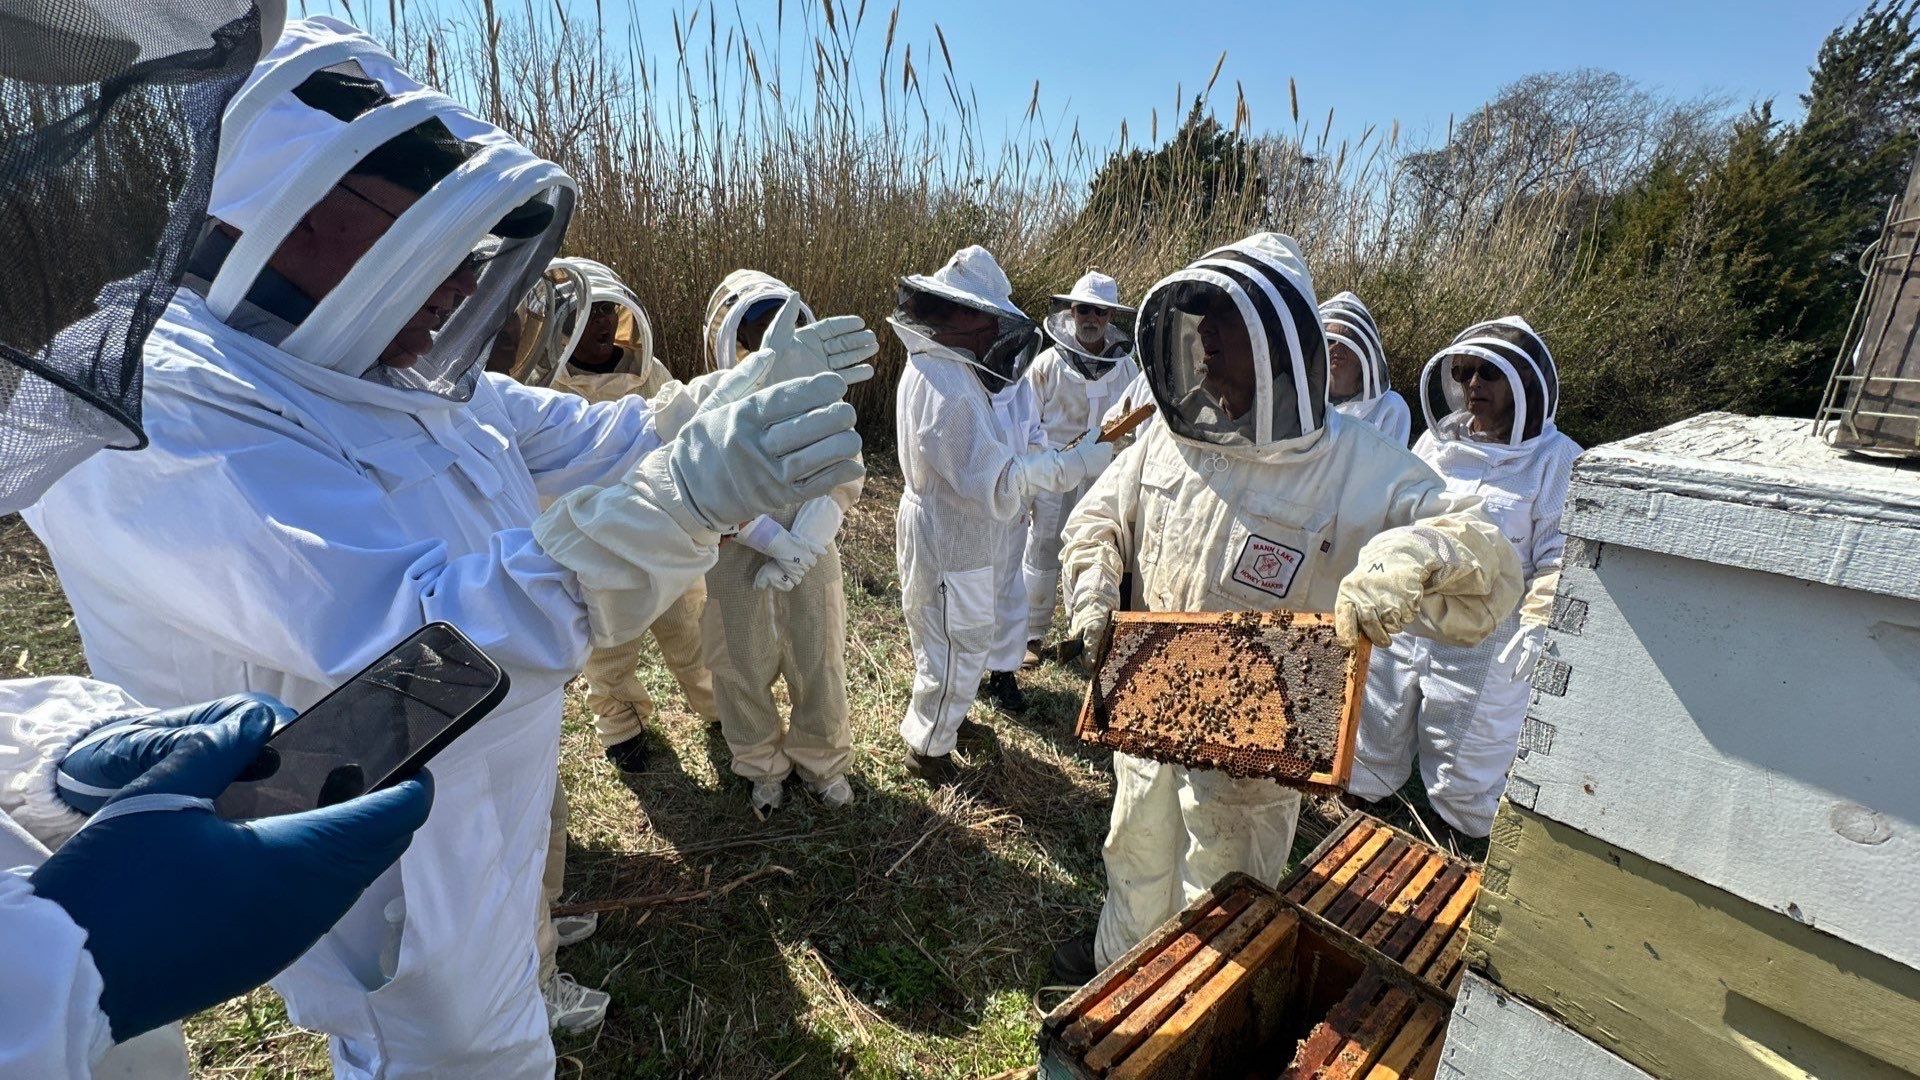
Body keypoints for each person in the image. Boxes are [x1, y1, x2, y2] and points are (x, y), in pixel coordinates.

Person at [23, 18, 871, 1079]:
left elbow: (606, 434)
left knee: (510, 1006)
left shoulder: (397, 376)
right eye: (415, 235)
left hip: (491, 805)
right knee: (449, 1053)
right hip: (384, 862)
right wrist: (688, 498)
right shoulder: (160, 415)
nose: (453, 284)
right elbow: (422, 654)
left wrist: (721, 400)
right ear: (284, 210)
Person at [0, 6, 430, 1077]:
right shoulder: (174, 399)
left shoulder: (351, 368)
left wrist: (50, 761)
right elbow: (379, 611)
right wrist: (52, 974)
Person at [1048, 232, 1522, 982]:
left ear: (1278, 349)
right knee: (1134, 850)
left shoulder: (1356, 466)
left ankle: (1197, 1018)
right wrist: (1094, 591)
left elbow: (1486, 558)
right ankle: (1117, 969)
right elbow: (1097, 521)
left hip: (1256, 749)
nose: (1203, 356)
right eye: (1197, 336)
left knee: (1225, 896)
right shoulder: (1172, 439)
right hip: (1149, 705)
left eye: (1224, 337)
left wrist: (1418, 555)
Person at [892, 246, 1117, 784]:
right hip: (951, 534)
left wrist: (1058, 459)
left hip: (957, 529)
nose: (993, 328)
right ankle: (927, 749)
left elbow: (1002, 459)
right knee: (954, 638)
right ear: (959, 313)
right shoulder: (948, 388)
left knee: (962, 633)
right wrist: (1072, 465)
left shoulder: (942, 369)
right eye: (985, 315)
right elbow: (999, 478)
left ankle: (950, 721)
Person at [1350, 317, 1581, 842]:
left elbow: (1560, 554)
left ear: (1524, 382)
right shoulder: (1436, 445)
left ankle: (1456, 843)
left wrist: (1541, 622)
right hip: (1410, 619)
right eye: (1465, 373)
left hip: (1487, 639)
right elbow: (1396, 518)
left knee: (1468, 762)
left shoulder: (1554, 459)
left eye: (1488, 375)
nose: (1473, 385)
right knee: (1372, 734)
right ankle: (1364, 827)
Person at [528, 258, 719, 769]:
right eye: (590, 314)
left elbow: (681, 436)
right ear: (564, 321)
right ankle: (621, 726)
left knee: (690, 629)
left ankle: (717, 709)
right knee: (608, 646)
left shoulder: (649, 373)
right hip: (592, 541)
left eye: (609, 313)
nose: (603, 324)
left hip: (661, 526)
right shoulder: (545, 385)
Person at [700, 271, 864, 815]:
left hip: (814, 559)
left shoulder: (820, 404)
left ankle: (822, 762)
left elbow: (844, 474)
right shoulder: (710, 410)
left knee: (817, 659)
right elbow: (699, 481)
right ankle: (760, 765)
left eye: (781, 325)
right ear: (731, 339)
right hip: (730, 560)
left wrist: (804, 542)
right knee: (738, 664)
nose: (770, 340)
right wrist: (766, 535)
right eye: (754, 329)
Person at [1020, 272, 1140, 662]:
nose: (1091, 317)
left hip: (1103, 472)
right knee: (1043, 546)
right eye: (1083, 309)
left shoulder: (1125, 368)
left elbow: (1140, 419)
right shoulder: (1047, 365)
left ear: (1110, 316)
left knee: (1090, 546)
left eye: (1100, 311)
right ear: (1071, 312)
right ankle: (1030, 636)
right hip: (1054, 469)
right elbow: (1026, 422)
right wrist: (1041, 467)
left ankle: (1079, 633)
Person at [1320, 290, 1411, 444]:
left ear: (1366, 348)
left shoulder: (1390, 407)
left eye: (1348, 339)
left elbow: (1391, 464)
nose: (1337, 347)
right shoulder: (1306, 401)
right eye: (1331, 340)